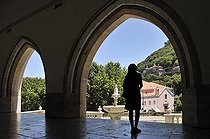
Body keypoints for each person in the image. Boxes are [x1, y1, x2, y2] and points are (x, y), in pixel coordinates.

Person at [122, 63, 143, 134]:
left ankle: (132, 127)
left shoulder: (127, 76)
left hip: (130, 95)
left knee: (130, 112)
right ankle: (136, 127)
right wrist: (137, 89)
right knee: (137, 111)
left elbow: (124, 85)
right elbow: (141, 85)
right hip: (136, 95)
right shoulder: (138, 75)